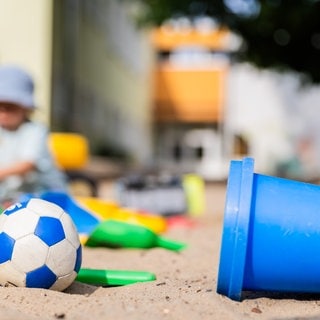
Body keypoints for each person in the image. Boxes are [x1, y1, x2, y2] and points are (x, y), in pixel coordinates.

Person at [0, 65, 67, 204]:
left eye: (10, 108)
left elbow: (27, 165)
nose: (3, 114)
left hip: (45, 193)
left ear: (26, 109)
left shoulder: (34, 130)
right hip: (13, 194)